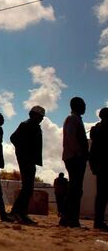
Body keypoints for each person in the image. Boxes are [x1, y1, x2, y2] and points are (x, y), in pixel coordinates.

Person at [9, 105, 45, 225]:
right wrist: (23, 151)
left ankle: (17, 212)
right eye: (39, 116)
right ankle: (19, 213)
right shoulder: (26, 125)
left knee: (28, 188)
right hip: (26, 160)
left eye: (42, 117)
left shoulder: (33, 126)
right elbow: (13, 138)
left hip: (30, 160)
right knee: (27, 187)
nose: (41, 119)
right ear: (32, 115)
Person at [60, 97, 89, 228]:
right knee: (75, 189)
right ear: (76, 106)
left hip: (73, 157)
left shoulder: (75, 119)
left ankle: (69, 218)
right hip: (74, 157)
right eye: (82, 105)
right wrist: (79, 153)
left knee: (75, 189)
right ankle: (70, 219)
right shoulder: (73, 119)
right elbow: (71, 138)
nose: (85, 107)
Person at [90, 107, 108, 231]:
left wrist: (93, 165)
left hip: (99, 166)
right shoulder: (104, 129)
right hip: (105, 165)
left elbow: (93, 150)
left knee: (101, 195)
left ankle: (98, 220)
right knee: (103, 195)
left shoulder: (95, 130)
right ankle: (99, 221)